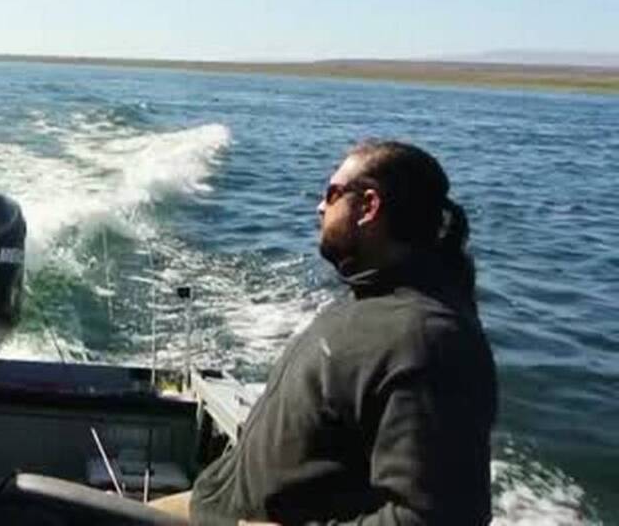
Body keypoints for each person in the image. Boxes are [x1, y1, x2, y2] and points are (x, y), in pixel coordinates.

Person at [162, 140, 498, 525]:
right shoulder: (374, 302)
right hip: (212, 505)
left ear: (368, 206)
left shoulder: (428, 340)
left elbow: (440, 517)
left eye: (332, 194)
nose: (320, 207)